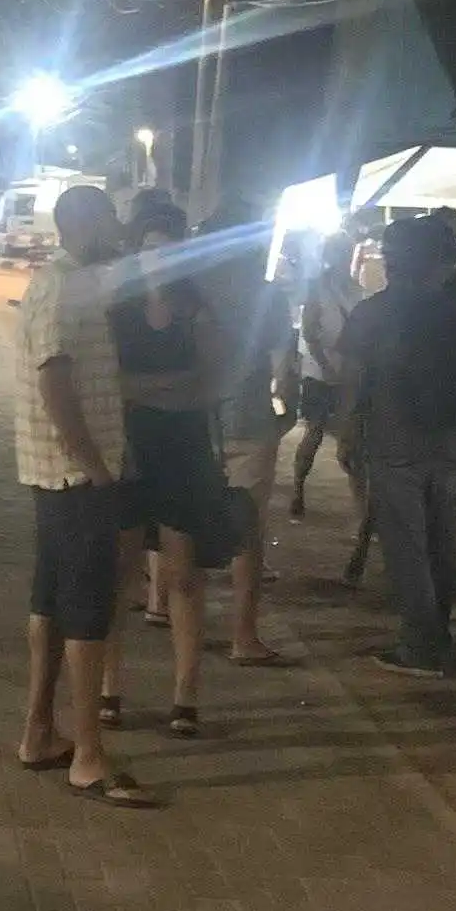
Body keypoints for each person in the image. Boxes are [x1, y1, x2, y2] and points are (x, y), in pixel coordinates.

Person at [14, 183, 155, 807]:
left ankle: (39, 733)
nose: (119, 231)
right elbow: (55, 380)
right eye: (110, 220)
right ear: (86, 222)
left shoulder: (65, 284)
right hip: (75, 478)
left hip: (57, 474)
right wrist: (96, 467)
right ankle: (89, 756)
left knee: (50, 604)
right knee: (87, 612)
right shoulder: (64, 287)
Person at [99, 203, 232, 740]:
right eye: (151, 245)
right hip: (129, 448)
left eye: (170, 245)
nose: (160, 255)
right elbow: (108, 382)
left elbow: (212, 383)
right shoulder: (118, 307)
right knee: (120, 573)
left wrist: (143, 388)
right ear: (137, 248)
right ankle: (109, 687)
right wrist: (172, 384)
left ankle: (186, 694)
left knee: (184, 574)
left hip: (183, 449)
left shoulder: (196, 305)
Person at [337, 215, 456, 676]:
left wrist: (347, 429)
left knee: (405, 545)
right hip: (449, 439)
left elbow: (354, 376)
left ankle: (420, 646)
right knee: (441, 538)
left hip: (394, 434)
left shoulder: (373, 312)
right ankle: (438, 632)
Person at [199, 196, 292, 667]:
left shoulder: (193, 291)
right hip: (251, 419)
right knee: (247, 531)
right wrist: (286, 411)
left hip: (196, 420)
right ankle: (243, 635)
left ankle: (182, 624)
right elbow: (284, 364)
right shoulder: (269, 295)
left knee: (187, 528)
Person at [289, 232, 364, 522]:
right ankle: (298, 487)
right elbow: (310, 333)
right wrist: (326, 366)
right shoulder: (320, 287)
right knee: (316, 431)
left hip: (345, 373)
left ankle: (361, 509)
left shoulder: (355, 288)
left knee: (347, 437)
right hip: (321, 373)